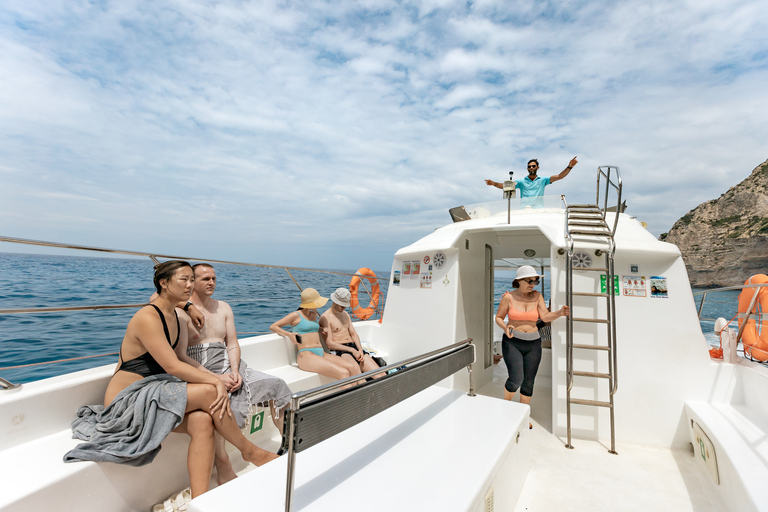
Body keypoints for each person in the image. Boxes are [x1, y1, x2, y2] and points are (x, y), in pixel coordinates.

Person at [64, 260, 277, 499]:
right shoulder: (148, 316)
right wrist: (216, 380)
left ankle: (200, 499)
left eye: (191, 280)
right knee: (209, 391)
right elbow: (172, 365)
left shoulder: (175, 315)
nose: (189, 285)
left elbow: (179, 354)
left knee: (202, 421)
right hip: (127, 398)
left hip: (155, 391)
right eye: (183, 280)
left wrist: (187, 306)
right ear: (164, 283)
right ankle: (250, 451)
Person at [174, 263, 292, 485]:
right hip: (199, 369)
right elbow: (155, 299)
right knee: (219, 400)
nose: (211, 283)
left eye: (214, 279)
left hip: (230, 366)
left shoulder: (224, 308)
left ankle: (286, 445)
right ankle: (223, 462)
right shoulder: (179, 311)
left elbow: (233, 344)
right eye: (205, 279)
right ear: (191, 281)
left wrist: (235, 371)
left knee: (277, 385)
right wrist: (217, 378)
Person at [495, 265, 569, 429]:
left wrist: (559, 313)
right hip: (513, 342)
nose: (533, 284)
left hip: (534, 343)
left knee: (529, 382)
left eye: (535, 281)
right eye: (530, 281)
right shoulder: (508, 298)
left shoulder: (538, 296)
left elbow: (545, 316)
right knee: (516, 378)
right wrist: (505, 327)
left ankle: (523, 416)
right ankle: (505, 406)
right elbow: (499, 317)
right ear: (519, 281)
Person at [270, 288, 360, 385]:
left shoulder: (313, 315)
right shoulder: (295, 316)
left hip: (321, 352)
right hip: (306, 355)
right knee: (344, 373)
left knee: (352, 367)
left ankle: (354, 398)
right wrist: (289, 334)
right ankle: (348, 400)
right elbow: (273, 326)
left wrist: (321, 329)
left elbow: (311, 330)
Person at [320, 288, 382, 377]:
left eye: (345, 305)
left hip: (354, 347)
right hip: (340, 351)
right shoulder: (325, 318)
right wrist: (352, 350)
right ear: (335, 301)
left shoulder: (345, 314)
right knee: (357, 376)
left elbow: (353, 334)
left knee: (380, 374)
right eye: (342, 305)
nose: (343, 307)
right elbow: (329, 344)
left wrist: (360, 350)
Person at [485, 157, 579, 197]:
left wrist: (570, 166)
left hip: (539, 211)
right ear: (527, 168)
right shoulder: (521, 182)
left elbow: (559, 176)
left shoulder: (543, 180)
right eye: (529, 166)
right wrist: (494, 183)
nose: (531, 168)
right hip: (525, 211)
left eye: (533, 166)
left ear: (537, 167)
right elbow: (506, 186)